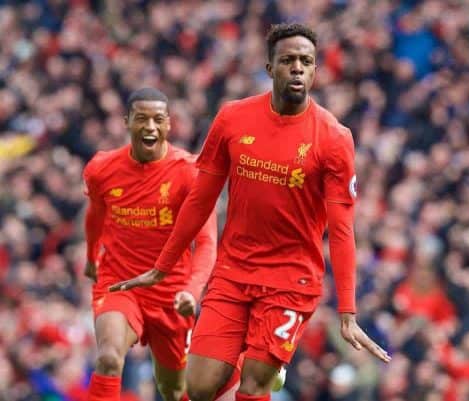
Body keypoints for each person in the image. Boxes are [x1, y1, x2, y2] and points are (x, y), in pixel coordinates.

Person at [109, 24, 391, 401]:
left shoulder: (334, 138)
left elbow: (341, 230)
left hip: (291, 281)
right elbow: (200, 200)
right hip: (234, 271)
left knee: (255, 387)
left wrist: (348, 311)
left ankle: (261, 361)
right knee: (198, 387)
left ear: (315, 71)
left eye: (306, 62)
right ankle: (250, 355)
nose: (297, 68)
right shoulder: (232, 119)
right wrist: (163, 265)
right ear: (270, 67)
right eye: (288, 60)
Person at [84, 88, 238, 401]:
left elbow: (207, 242)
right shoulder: (102, 169)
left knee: (174, 389)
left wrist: (192, 293)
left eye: (158, 119)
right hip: (119, 283)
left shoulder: (189, 173)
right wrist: (91, 257)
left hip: (172, 294)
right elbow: (95, 216)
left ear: (169, 125)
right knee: (109, 358)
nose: (150, 127)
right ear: (127, 122)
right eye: (141, 119)